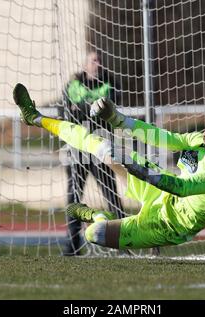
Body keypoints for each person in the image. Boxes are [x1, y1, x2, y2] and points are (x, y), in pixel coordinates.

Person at [13, 83, 205, 250]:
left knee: (95, 234)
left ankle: (99, 216)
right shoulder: (202, 140)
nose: (204, 132)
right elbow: (163, 136)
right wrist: (118, 119)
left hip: (169, 225)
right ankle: (35, 118)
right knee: (103, 146)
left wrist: (139, 169)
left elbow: (183, 188)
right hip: (159, 191)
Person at [60, 51, 126, 255]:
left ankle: (124, 239)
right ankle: (73, 245)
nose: (97, 64)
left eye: (99, 61)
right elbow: (65, 112)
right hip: (77, 149)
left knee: (112, 196)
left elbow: (108, 110)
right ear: (85, 65)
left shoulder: (109, 84)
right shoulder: (73, 85)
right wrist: (86, 108)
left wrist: (81, 107)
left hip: (100, 149)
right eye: (93, 61)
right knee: (74, 198)